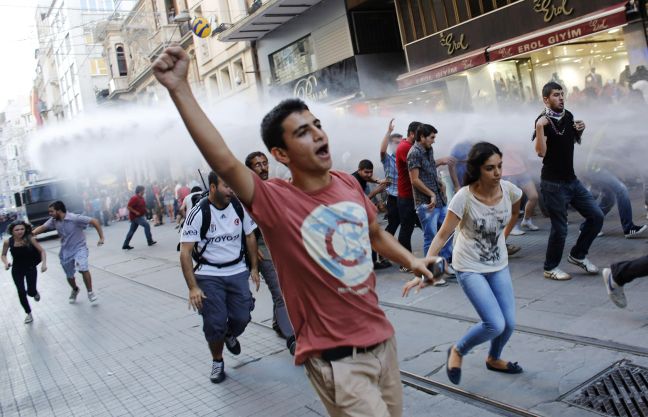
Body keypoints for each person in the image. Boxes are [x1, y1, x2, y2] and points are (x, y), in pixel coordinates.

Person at [153, 45, 436, 416]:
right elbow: (221, 157)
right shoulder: (274, 201)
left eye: (317, 125)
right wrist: (180, 89)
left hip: (383, 342)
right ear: (280, 154)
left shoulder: (346, 184)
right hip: (336, 359)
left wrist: (413, 261)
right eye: (303, 132)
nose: (318, 135)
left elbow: (375, 234)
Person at [403, 142, 523, 385]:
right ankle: (457, 351)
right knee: (494, 324)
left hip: (498, 264)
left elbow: (514, 213)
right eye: (490, 168)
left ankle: (493, 358)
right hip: (469, 266)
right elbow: (442, 235)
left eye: (500, 166)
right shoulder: (464, 197)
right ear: (478, 169)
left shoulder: (510, 191)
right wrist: (425, 269)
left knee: (508, 324)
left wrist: (503, 237)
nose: (498, 173)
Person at [179, 171, 259, 383]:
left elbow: (250, 235)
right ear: (213, 188)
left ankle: (229, 334)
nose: (231, 190)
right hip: (209, 274)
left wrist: (254, 268)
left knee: (242, 317)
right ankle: (217, 360)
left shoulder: (238, 206)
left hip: (237, 270)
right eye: (226, 186)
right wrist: (193, 288)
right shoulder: (198, 213)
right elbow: (185, 252)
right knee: (214, 323)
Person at [534, 81, 604, 281]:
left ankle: (578, 254)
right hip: (553, 184)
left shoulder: (568, 115)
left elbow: (570, 140)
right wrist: (539, 128)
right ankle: (550, 267)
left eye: (562, 94)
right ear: (546, 99)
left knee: (596, 216)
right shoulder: (542, 121)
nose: (561, 98)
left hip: (571, 180)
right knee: (560, 228)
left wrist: (579, 130)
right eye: (556, 95)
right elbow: (541, 152)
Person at [245, 151, 297, 354]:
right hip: (261, 248)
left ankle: (278, 323)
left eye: (265, 163)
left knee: (286, 288)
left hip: (281, 246)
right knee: (280, 293)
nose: (263, 167)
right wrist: (253, 250)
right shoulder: (245, 192)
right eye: (257, 165)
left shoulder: (274, 185)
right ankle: (293, 338)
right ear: (249, 170)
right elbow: (241, 225)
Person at [33, 201, 104, 303]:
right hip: (65, 251)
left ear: (59, 210)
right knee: (69, 275)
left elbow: (95, 221)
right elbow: (43, 227)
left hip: (80, 248)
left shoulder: (75, 218)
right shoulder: (54, 220)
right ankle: (75, 289)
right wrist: (31, 234)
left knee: (83, 268)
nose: (50, 214)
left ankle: (90, 292)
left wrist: (101, 237)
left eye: (51, 211)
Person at [407, 123, 452, 271]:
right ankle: (431, 270)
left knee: (447, 231)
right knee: (431, 237)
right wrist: (431, 193)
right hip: (426, 203)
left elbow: (431, 169)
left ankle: (445, 264)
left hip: (439, 200)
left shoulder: (429, 149)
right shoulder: (414, 153)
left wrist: (440, 184)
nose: (434, 140)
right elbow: (415, 180)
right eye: (432, 137)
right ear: (422, 137)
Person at [2, 221, 47, 323]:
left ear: (25, 229)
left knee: (30, 292)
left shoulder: (30, 239)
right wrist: (6, 263)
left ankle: (34, 292)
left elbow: (42, 251)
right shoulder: (8, 242)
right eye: (17, 230)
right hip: (17, 270)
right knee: (21, 292)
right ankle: (28, 313)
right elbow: (3, 254)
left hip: (30, 268)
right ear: (12, 231)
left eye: (22, 229)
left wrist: (44, 264)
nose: (20, 231)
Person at [352, 159, 390, 270]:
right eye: (366, 172)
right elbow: (362, 200)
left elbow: (370, 178)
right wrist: (376, 191)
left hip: (360, 211)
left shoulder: (362, 176)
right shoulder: (354, 181)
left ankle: (372, 262)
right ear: (359, 170)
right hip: (354, 212)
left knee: (371, 236)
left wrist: (379, 181)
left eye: (370, 172)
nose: (369, 175)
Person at [395, 121, 421, 272]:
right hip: (406, 196)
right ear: (411, 134)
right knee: (406, 229)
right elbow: (419, 167)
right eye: (419, 134)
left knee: (428, 227)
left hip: (414, 195)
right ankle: (405, 262)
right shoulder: (405, 148)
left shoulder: (411, 147)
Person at [501, 143, 539, 235]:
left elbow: (524, 156)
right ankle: (512, 226)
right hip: (507, 173)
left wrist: (528, 169)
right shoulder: (500, 138)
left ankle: (526, 220)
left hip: (522, 171)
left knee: (534, 197)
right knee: (512, 201)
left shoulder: (519, 137)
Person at [379, 119, 402, 238]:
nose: (399, 144)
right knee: (393, 225)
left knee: (410, 224)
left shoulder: (408, 158)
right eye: (396, 143)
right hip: (393, 197)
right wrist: (389, 131)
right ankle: (382, 251)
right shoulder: (388, 160)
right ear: (391, 144)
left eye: (401, 142)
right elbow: (382, 151)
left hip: (407, 197)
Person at [122, 185, 156, 250]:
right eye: (143, 190)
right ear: (140, 191)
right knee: (146, 225)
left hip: (139, 216)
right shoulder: (134, 198)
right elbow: (128, 207)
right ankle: (149, 241)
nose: (144, 191)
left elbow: (142, 206)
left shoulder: (141, 198)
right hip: (136, 217)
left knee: (131, 231)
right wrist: (135, 212)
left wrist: (146, 210)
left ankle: (125, 245)